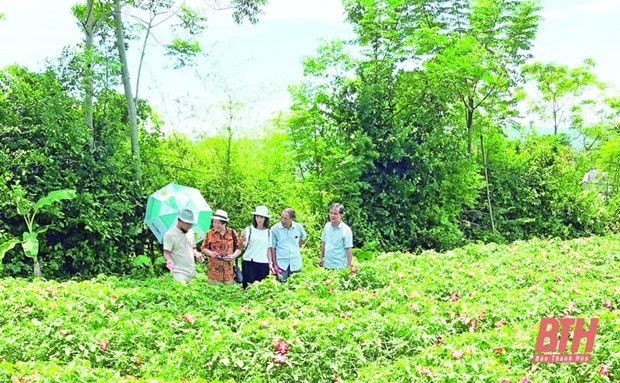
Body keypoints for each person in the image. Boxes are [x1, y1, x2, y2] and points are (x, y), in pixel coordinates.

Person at [163, 208, 205, 284]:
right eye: (187, 223)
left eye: (191, 224)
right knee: (184, 293)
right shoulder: (170, 234)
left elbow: (193, 248)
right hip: (179, 272)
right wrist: (169, 260)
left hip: (192, 272)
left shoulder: (191, 232)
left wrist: (197, 254)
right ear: (180, 221)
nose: (190, 226)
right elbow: (166, 253)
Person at [200, 209, 241, 285]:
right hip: (213, 273)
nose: (215, 225)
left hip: (228, 272)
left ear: (224, 223)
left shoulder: (232, 233)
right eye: (214, 222)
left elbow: (239, 248)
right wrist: (211, 253)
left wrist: (233, 256)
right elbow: (203, 248)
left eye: (218, 223)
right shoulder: (209, 233)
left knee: (228, 293)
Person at [239, 205, 274, 289]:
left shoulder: (268, 232)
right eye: (257, 217)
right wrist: (241, 240)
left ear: (265, 219)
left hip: (263, 262)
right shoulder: (249, 229)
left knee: (261, 288)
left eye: (262, 217)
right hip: (249, 261)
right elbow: (243, 245)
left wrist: (270, 263)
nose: (259, 219)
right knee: (247, 287)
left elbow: (268, 249)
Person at [271, 208, 307, 282]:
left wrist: (296, 246)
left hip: (295, 262)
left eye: (286, 219)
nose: (283, 220)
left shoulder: (298, 227)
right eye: (282, 217)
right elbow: (273, 248)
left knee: (296, 286)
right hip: (281, 264)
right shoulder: (275, 229)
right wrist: (274, 264)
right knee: (281, 287)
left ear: (292, 219)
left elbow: (303, 238)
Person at [320, 203, 353, 269]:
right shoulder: (327, 226)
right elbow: (323, 243)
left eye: (335, 214)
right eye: (331, 213)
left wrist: (348, 266)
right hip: (327, 265)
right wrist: (321, 258)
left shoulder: (346, 230)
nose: (332, 215)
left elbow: (349, 249)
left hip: (339, 267)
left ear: (341, 215)